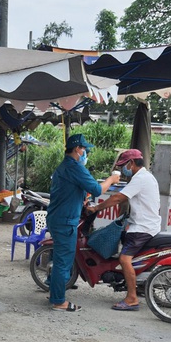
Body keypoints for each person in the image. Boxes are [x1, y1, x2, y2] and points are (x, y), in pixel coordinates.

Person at [46, 134, 121, 312]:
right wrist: (111, 179)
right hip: (65, 221)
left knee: (60, 258)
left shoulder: (65, 167)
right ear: (77, 149)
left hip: (58, 217)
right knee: (63, 261)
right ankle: (58, 301)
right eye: (84, 149)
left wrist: (82, 201)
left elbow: (70, 191)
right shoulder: (74, 167)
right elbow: (96, 189)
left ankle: (54, 290)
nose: (86, 152)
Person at [86, 149, 160, 311]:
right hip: (147, 225)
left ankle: (132, 298)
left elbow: (119, 197)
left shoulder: (140, 179)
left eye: (124, 165)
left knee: (124, 259)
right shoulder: (146, 176)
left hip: (142, 228)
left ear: (131, 163)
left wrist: (97, 207)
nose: (123, 170)